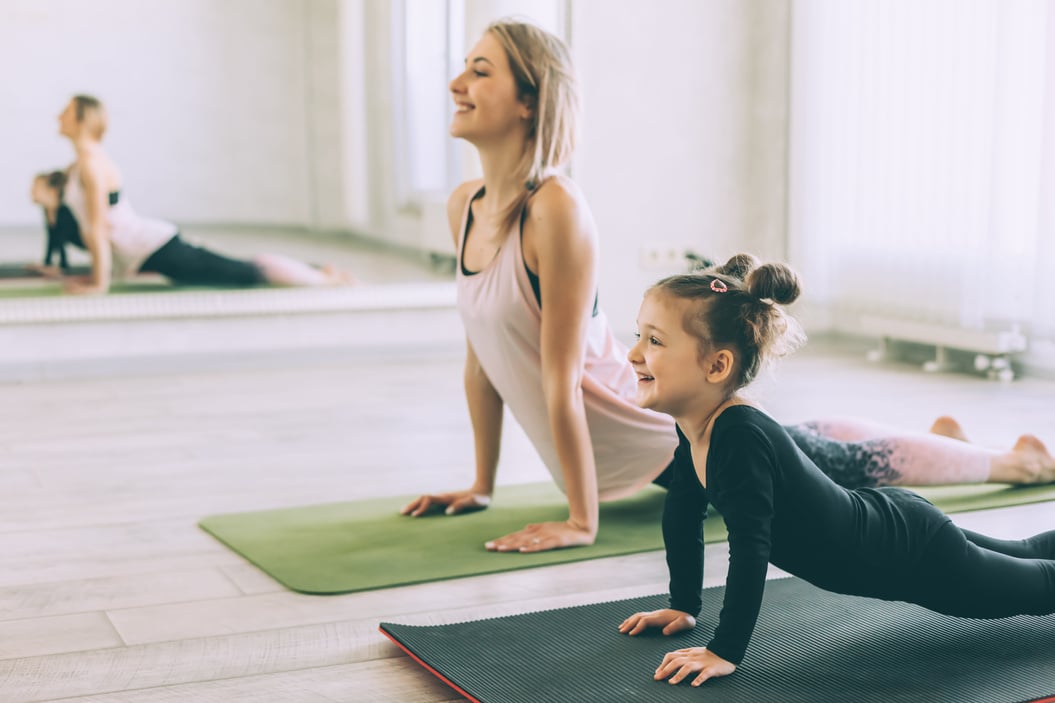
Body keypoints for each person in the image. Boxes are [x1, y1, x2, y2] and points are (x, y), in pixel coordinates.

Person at [400, 20, 1054, 553]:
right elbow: (481, 363)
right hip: (625, 436)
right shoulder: (464, 205)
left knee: (831, 467)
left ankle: (1015, 463)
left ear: (529, 100)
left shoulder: (555, 209)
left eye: (479, 71)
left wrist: (580, 520)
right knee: (806, 441)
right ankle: (949, 443)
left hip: (658, 425)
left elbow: (558, 377)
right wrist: (480, 484)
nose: (456, 82)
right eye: (463, 67)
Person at [617, 256, 1055, 686]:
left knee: (1040, 586)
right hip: (895, 524)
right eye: (639, 335)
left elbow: (750, 548)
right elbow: (683, 510)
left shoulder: (739, 436)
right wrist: (684, 605)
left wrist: (724, 650)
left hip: (910, 555)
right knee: (1024, 551)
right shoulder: (696, 425)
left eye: (654, 341)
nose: (634, 353)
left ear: (717, 366)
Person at [55, 94, 350, 294]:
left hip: (153, 247)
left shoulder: (92, 165)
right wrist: (101, 277)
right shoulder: (82, 164)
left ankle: (325, 280)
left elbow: (96, 228)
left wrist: (100, 283)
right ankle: (318, 274)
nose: (59, 116)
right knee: (240, 269)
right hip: (146, 249)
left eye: (66, 112)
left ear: (84, 120)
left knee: (247, 272)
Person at [28, 170, 82, 276]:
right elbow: (52, 239)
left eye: (36, 188)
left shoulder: (64, 211)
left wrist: (62, 268)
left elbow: (61, 241)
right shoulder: (48, 211)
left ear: (53, 191)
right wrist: (46, 264)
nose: (31, 191)